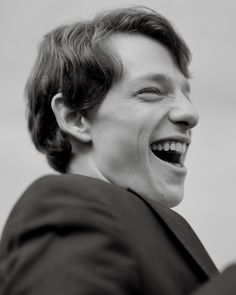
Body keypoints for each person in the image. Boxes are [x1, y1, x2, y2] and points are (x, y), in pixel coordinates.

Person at [0, 6, 235, 295]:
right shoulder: (66, 206)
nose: (190, 113)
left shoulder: (155, 227)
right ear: (75, 117)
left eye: (185, 93)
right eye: (151, 91)